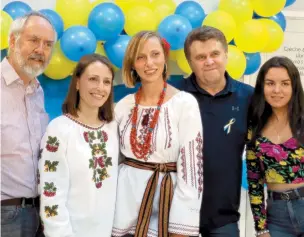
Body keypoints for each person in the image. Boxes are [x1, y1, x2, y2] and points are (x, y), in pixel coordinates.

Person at [112, 31, 203, 237]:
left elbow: (191, 169)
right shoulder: (123, 106)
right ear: (132, 63)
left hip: (167, 205)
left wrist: (181, 226)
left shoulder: (184, 103)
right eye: (140, 57)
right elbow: (112, 160)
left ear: (165, 57)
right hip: (124, 208)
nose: (149, 63)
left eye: (155, 54)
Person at [175, 26, 254, 237]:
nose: (209, 61)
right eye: (201, 57)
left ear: (226, 55)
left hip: (224, 218)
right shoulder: (174, 96)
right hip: (177, 216)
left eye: (215, 54)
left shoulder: (249, 97)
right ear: (190, 63)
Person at [38, 54, 119, 237]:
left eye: (107, 82)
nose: (100, 87)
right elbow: (51, 192)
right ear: (77, 82)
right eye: (93, 79)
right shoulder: (59, 129)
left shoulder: (114, 128)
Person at [1, 11, 57, 237]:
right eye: (34, 40)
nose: (41, 50)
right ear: (13, 41)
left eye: (47, 44)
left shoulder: (37, 91)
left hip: (39, 212)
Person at [246, 56, 304, 237]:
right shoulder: (254, 127)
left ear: (294, 86)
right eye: (270, 83)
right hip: (277, 217)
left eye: (285, 83)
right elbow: (254, 182)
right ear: (262, 86)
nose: (277, 90)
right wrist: (261, 228)